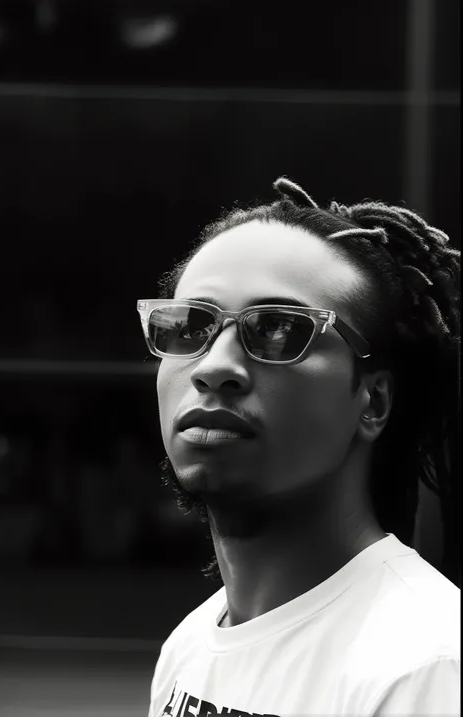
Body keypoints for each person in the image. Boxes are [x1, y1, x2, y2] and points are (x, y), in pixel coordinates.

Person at [140, 177, 460, 716]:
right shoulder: (189, 647)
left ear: (373, 400)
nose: (215, 367)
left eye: (279, 330)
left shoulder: (427, 665)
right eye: (191, 325)